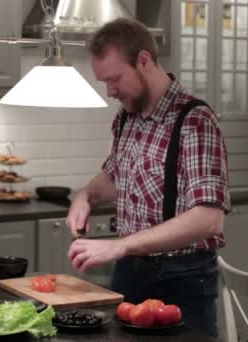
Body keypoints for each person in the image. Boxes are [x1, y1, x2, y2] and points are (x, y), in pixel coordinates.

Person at [65, 18, 230, 337]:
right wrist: (85, 196)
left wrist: (119, 246)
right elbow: (115, 177)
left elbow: (208, 219)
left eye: (114, 79)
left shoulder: (195, 120)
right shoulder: (127, 117)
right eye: (104, 83)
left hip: (182, 279)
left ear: (144, 60)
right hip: (130, 274)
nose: (110, 91)